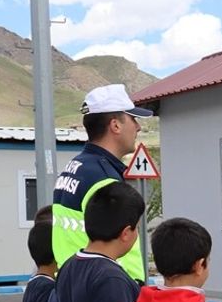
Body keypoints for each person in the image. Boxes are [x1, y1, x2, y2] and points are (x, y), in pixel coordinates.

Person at [53, 84, 153, 282]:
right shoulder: (104, 179)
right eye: (133, 119)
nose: (138, 127)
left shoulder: (76, 167)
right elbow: (118, 241)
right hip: (108, 286)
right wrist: (134, 284)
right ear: (115, 125)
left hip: (74, 282)